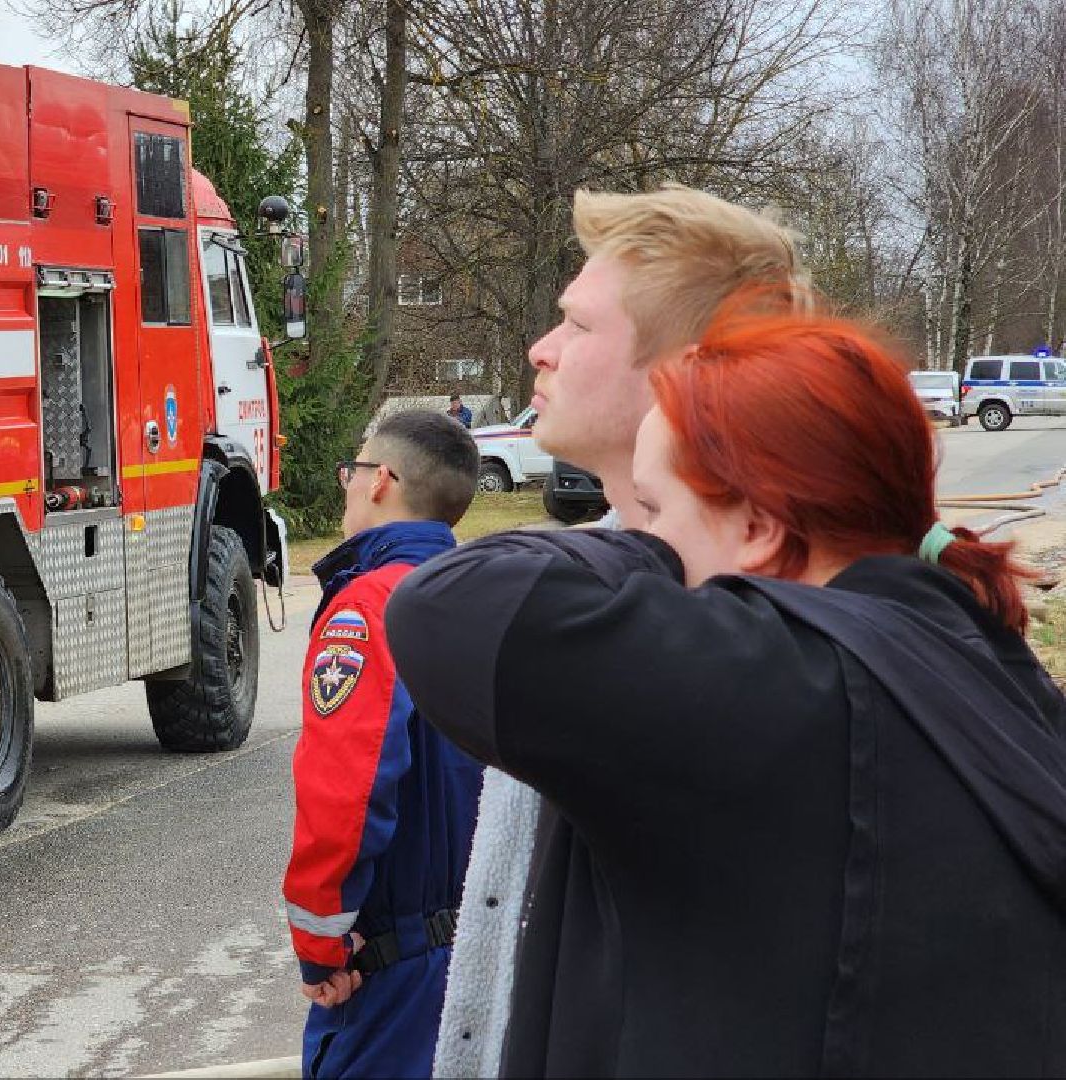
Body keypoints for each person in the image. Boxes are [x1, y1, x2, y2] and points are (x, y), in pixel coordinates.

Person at [387, 305, 1066, 1076]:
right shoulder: (978, 661)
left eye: (652, 508)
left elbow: (446, 604)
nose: (636, 532)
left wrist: (639, 555)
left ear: (758, 527)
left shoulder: (786, 679)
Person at [433, 184, 808, 1078]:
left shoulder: (763, 619)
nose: (540, 349)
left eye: (577, 327)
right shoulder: (598, 565)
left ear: (686, 367)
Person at [283, 408, 484, 1079]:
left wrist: (319, 943)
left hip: (395, 968)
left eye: (353, 470)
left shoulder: (368, 607)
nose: (346, 484)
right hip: (487, 946)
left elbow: (346, 789)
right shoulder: (488, 594)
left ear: (381, 481)